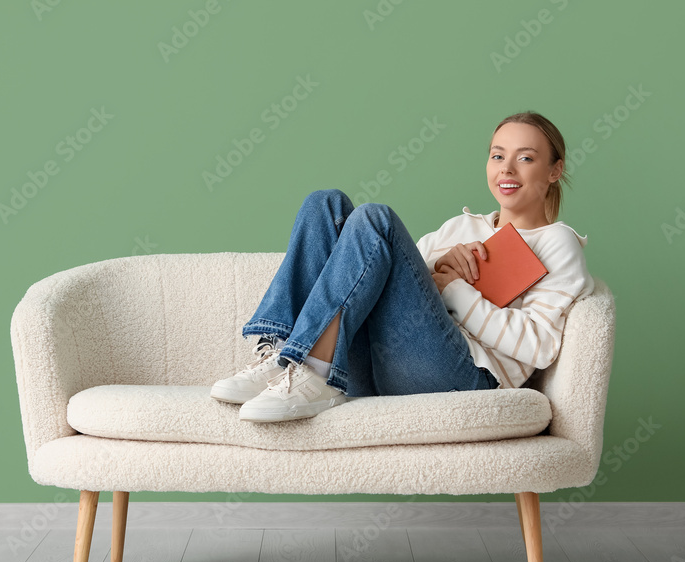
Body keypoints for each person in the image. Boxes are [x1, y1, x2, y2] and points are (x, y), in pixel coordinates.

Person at [211, 110, 594, 422]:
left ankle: (309, 365)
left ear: (554, 171)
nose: (507, 169)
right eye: (498, 156)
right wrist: (435, 268)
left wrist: (453, 290)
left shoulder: (556, 242)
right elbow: (388, 276)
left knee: (375, 219)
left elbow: (540, 347)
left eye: (525, 158)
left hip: (463, 378)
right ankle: (283, 355)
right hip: (381, 366)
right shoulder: (461, 227)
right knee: (325, 204)